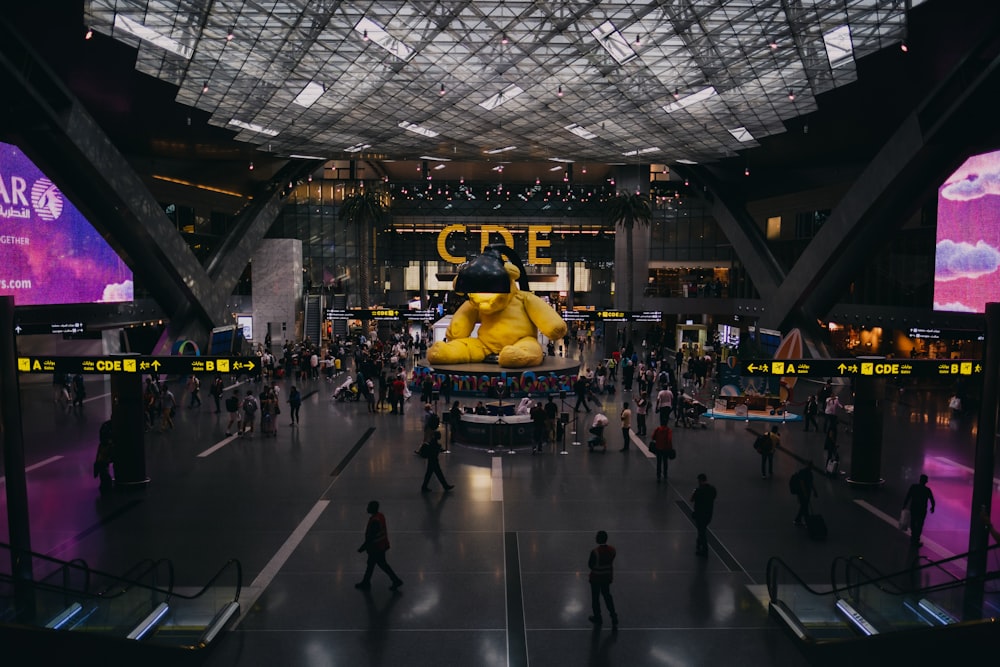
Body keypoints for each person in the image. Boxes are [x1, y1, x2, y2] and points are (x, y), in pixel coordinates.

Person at [355, 500, 404, 591]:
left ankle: (396, 580)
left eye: (369, 507)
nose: (367, 508)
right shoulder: (380, 516)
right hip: (381, 545)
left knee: (381, 565)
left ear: (372, 509)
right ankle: (366, 582)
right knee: (372, 565)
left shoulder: (375, 521)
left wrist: (362, 547)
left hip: (376, 548)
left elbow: (371, 537)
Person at [587, 530, 618, 629]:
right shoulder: (612, 550)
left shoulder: (595, 552)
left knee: (595, 598)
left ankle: (598, 617)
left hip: (596, 578)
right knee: (607, 596)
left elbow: (590, 565)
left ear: (599, 539)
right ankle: (613, 616)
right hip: (607, 577)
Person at [903, 474, 936, 547]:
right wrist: (932, 507)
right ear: (926, 482)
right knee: (920, 524)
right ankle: (916, 539)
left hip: (914, 508)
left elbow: (908, 496)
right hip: (922, 510)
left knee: (913, 522)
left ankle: (913, 535)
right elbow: (932, 500)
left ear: (919, 480)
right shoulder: (927, 490)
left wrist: (904, 505)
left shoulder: (913, 487)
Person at [690, 473, 717, 557]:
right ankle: (699, 544)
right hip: (708, 514)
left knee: (701, 531)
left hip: (700, 514)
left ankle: (704, 549)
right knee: (702, 529)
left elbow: (691, 499)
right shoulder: (712, 489)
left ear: (699, 480)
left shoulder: (698, 490)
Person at [94, 420, 114, 495]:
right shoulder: (108, 426)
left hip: (107, 448)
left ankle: (105, 482)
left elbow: (103, 439)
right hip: (110, 448)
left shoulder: (106, 425)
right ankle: (106, 481)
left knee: (102, 461)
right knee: (102, 461)